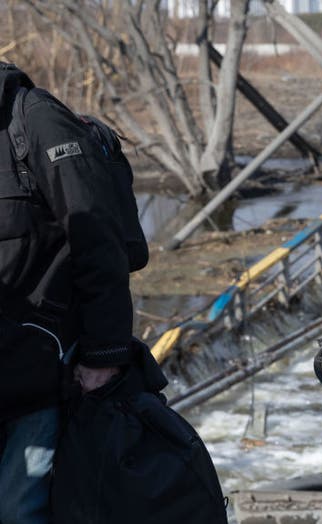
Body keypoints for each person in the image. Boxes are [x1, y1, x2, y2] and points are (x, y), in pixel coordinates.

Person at [0, 62, 133, 524]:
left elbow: (100, 238)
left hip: (43, 369)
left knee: (20, 511)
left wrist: (104, 353)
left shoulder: (34, 118)